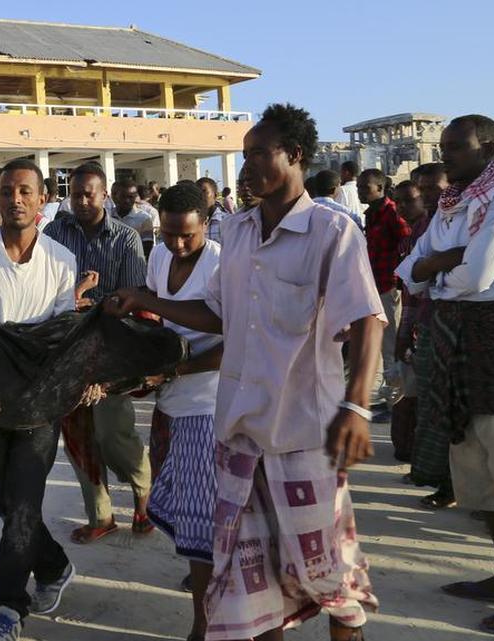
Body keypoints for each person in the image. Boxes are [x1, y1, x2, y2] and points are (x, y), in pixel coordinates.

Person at [107, 103, 382, 641]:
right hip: (237, 430)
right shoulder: (237, 231)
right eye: (243, 155)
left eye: (259, 154)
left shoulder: (332, 232)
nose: (245, 166)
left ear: (296, 156)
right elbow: (216, 313)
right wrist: (145, 299)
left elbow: (368, 320)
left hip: (303, 430)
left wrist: (357, 407)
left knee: (326, 570)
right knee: (249, 575)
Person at [396, 115, 494, 636]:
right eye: (443, 147)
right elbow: (409, 271)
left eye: (456, 147)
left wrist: (435, 270)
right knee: (479, 478)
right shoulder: (451, 204)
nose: (446, 156)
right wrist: (441, 265)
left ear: (487, 147)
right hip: (455, 343)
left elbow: (482, 272)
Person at [0, 158, 77, 640]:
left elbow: (61, 339)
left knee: (23, 505)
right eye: (7, 192)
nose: (15, 199)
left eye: (25, 191)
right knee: (7, 504)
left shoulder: (61, 263)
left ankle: (8, 608)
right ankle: (54, 565)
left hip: (40, 408)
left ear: (43, 199)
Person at [44, 163, 153, 544]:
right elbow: (46, 291)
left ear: (104, 194)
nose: (82, 200)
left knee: (113, 433)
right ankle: (100, 515)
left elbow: (134, 299)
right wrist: (73, 297)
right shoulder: (54, 232)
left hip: (111, 350)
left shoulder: (126, 239)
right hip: (67, 350)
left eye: (90, 193)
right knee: (77, 437)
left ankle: (144, 495)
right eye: (76, 194)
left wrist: (92, 303)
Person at [144, 182, 223, 641]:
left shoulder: (219, 264)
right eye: (168, 234)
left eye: (186, 236)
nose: (176, 244)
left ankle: (204, 625)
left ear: (205, 226)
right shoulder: (159, 256)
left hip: (208, 404)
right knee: (179, 510)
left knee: (201, 523)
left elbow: (235, 341)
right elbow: (160, 321)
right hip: (170, 402)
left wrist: (179, 369)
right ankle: (206, 592)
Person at [403, 162, 455, 508]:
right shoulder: (428, 227)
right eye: (424, 190)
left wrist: (429, 266)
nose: (429, 196)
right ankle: (448, 483)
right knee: (436, 407)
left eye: (435, 189)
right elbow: (412, 278)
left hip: (468, 327)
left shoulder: (461, 221)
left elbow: (474, 272)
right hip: (432, 322)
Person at [358, 168, 411, 418]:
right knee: (382, 344)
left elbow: (406, 242)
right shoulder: (373, 214)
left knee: (391, 345)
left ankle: (396, 403)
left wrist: (398, 277)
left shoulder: (391, 212)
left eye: (364, 188)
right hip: (376, 285)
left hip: (388, 285)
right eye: (358, 187)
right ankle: (391, 395)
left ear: (379, 188)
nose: (359, 191)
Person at [387, 180, 425, 463]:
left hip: (429, 322)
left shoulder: (429, 234)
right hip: (414, 322)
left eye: (409, 200)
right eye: (398, 201)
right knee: (408, 389)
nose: (402, 207)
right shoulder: (408, 237)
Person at [196, 177, 228, 244]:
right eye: (197, 193)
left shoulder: (227, 221)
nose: (200, 196)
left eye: (204, 192)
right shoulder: (192, 222)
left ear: (215, 195)